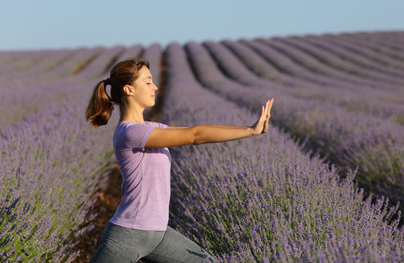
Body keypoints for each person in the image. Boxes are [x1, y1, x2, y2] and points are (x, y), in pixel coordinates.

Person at [85, 58, 274, 263]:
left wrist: (250, 129)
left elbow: (194, 130)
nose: (155, 86)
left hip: (158, 234)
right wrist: (250, 131)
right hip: (130, 234)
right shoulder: (131, 133)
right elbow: (195, 136)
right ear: (129, 89)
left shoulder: (151, 127)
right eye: (148, 82)